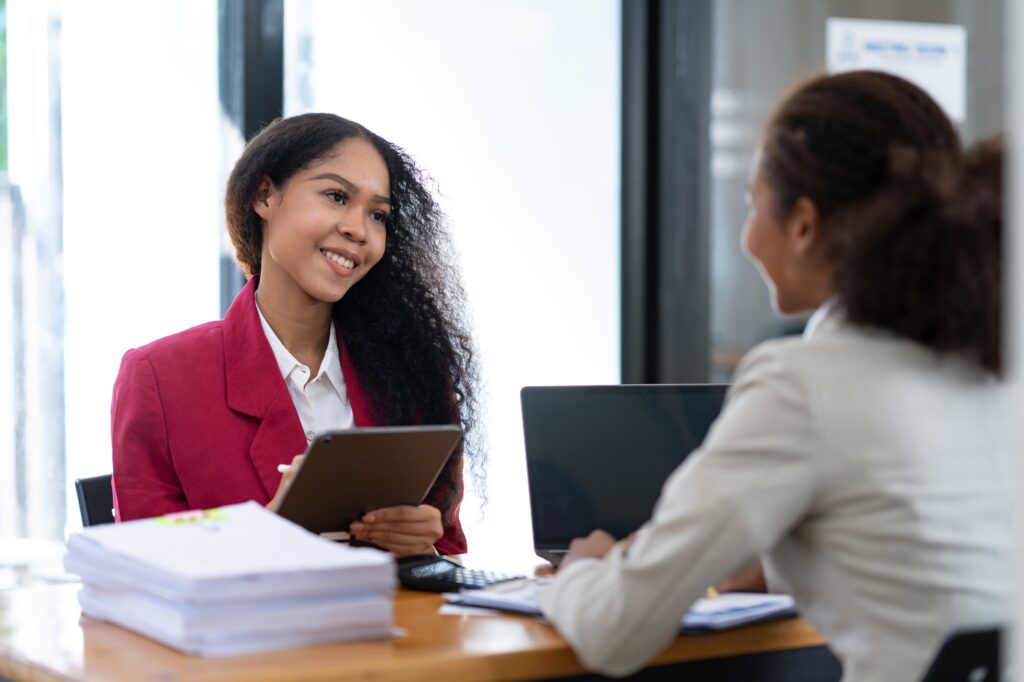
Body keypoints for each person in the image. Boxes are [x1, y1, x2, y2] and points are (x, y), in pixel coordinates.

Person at [539, 71, 1009, 681]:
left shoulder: (806, 383)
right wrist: (778, 564)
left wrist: (584, 573)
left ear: (804, 224)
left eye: (751, 205)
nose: (746, 235)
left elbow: (614, 630)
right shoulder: (992, 369)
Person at [111, 113, 480, 557]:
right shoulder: (160, 378)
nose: (358, 230)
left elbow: (448, 554)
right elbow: (141, 572)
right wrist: (272, 527)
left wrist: (424, 549)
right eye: (337, 196)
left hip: (390, 626)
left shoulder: (412, 370)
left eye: (378, 215)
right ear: (265, 195)